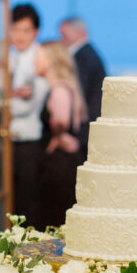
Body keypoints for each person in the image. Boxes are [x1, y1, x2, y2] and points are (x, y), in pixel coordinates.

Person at [35, 40, 87, 229]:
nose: (35, 61)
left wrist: (58, 135)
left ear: (50, 60)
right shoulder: (66, 86)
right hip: (62, 163)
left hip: (60, 164)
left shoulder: (59, 88)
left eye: (38, 57)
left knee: (55, 217)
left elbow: (61, 120)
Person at [8, 3, 48, 227]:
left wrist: (9, 95)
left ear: (35, 32)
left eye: (25, 30)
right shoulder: (7, 57)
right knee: (9, 203)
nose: (19, 36)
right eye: (15, 29)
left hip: (31, 140)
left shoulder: (41, 58)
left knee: (29, 202)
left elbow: (26, 105)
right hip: (5, 138)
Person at [59, 16, 106, 158]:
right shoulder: (89, 53)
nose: (61, 39)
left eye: (64, 34)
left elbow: (80, 92)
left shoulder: (82, 57)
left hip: (85, 129)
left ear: (79, 32)